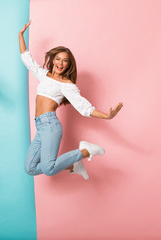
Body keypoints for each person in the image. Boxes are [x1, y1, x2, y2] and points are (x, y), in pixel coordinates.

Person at [19, 21, 123, 180]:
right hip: (40, 126)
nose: (60, 63)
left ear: (69, 65)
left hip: (50, 125)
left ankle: (84, 151)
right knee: (30, 168)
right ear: (53, 59)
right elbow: (27, 60)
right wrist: (20, 36)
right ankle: (73, 165)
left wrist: (107, 116)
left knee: (48, 168)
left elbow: (84, 108)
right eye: (58, 59)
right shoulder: (44, 75)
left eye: (65, 60)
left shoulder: (67, 85)